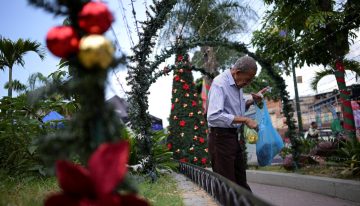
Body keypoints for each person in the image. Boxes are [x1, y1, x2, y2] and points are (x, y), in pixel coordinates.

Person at [207, 56, 267, 192]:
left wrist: (252, 100)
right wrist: (245, 120)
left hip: (233, 137)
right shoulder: (220, 84)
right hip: (220, 138)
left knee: (240, 182)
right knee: (227, 186)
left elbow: (235, 109)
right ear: (237, 72)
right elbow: (214, 116)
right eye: (248, 78)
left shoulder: (237, 84)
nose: (249, 82)